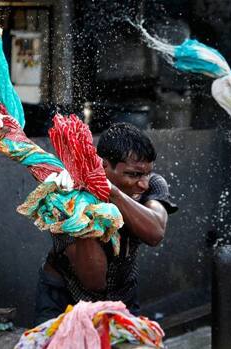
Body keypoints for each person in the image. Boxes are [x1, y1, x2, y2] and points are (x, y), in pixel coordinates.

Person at [34, 122, 178, 324]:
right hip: (64, 296)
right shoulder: (67, 198)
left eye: (146, 173)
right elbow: (94, 281)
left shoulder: (152, 184)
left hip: (123, 293)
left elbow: (155, 233)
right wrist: (85, 208)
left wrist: (112, 193)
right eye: (133, 174)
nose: (143, 183)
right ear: (103, 166)